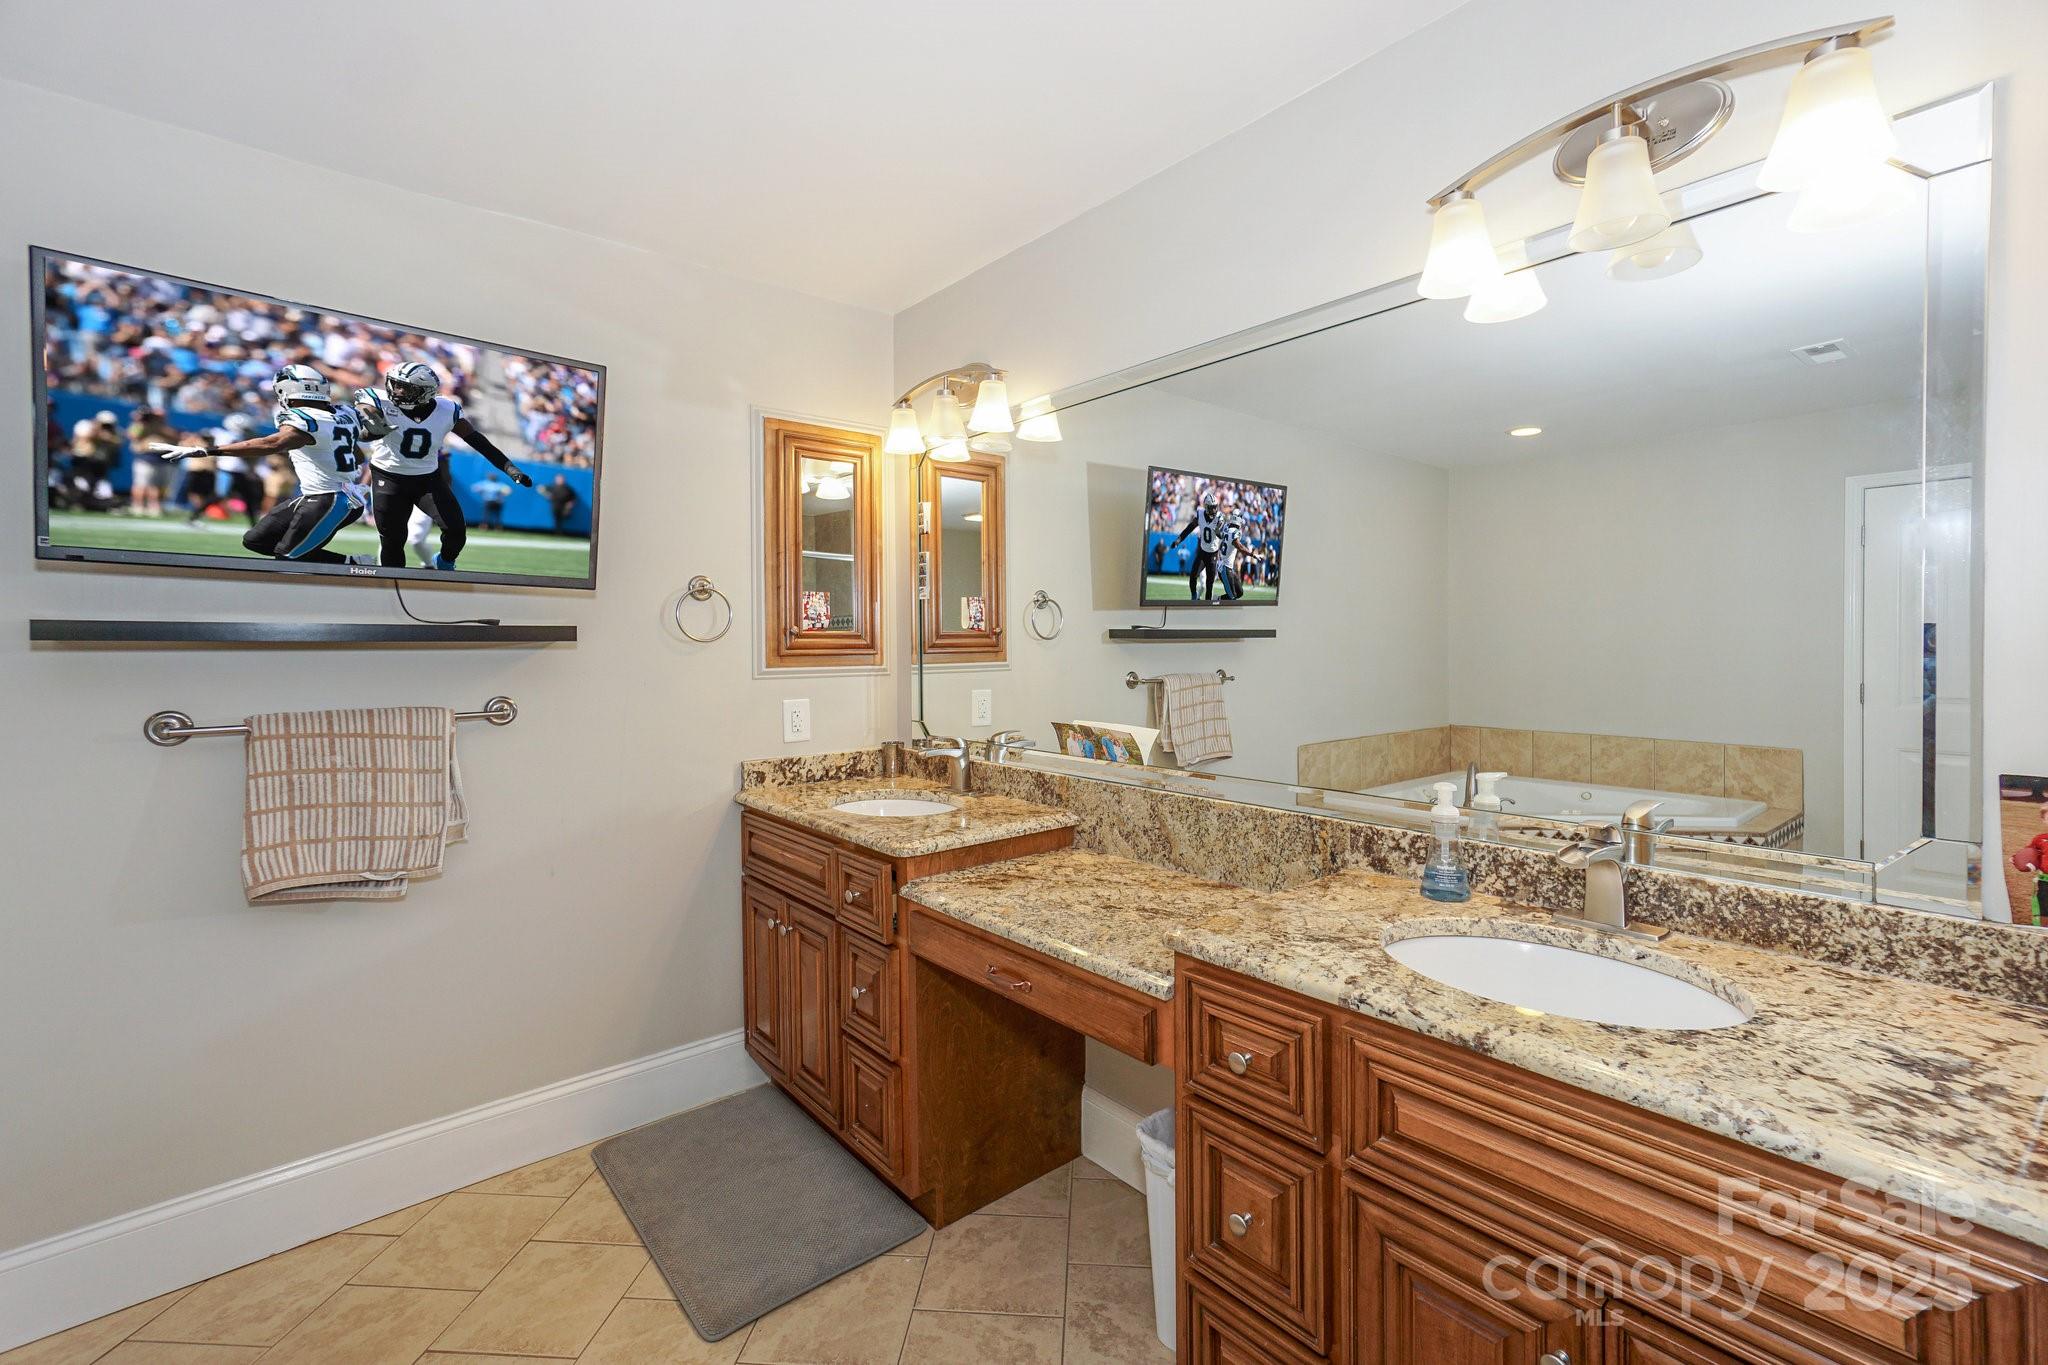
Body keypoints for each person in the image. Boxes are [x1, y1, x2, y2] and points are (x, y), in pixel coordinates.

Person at [149, 364, 375, 565]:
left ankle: (355, 573)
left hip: (331, 500)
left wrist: (208, 450)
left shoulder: (304, 418)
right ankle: (353, 562)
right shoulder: (345, 414)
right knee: (257, 540)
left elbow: (272, 443)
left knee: (288, 558)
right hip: (326, 495)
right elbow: (357, 456)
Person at [353, 361, 531, 570]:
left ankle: (444, 563)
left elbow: (478, 441)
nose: (397, 391)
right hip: (388, 478)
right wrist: (371, 424)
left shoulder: (446, 409)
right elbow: (364, 407)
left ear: (425, 392)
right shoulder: (381, 400)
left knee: (456, 532)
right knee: (393, 540)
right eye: (395, 384)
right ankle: (395, 582)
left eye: (406, 388)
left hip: (427, 480)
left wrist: (509, 468)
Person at [1170, 490, 1226, 602]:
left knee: (1209, 584)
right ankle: (1194, 597)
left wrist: (1218, 530)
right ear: (1206, 507)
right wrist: (1178, 540)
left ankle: (1207, 605)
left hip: (1213, 555)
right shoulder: (1200, 515)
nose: (1214, 510)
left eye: (1215, 507)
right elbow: (1189, 528)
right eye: (1211, 508)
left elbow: (1220, 533)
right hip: (1202, 552)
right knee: (1193, 576)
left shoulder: (1219, 517)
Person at [125, 407, 177, 516]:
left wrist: (157, 427)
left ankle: (154, 506)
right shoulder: (139, 425)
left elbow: (174, 436)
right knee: (141, 484)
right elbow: (132, 435)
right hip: (145, 457)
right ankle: (137, 506)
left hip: (162, 458)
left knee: (157, 486)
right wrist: (140, 421)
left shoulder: (163, 427)